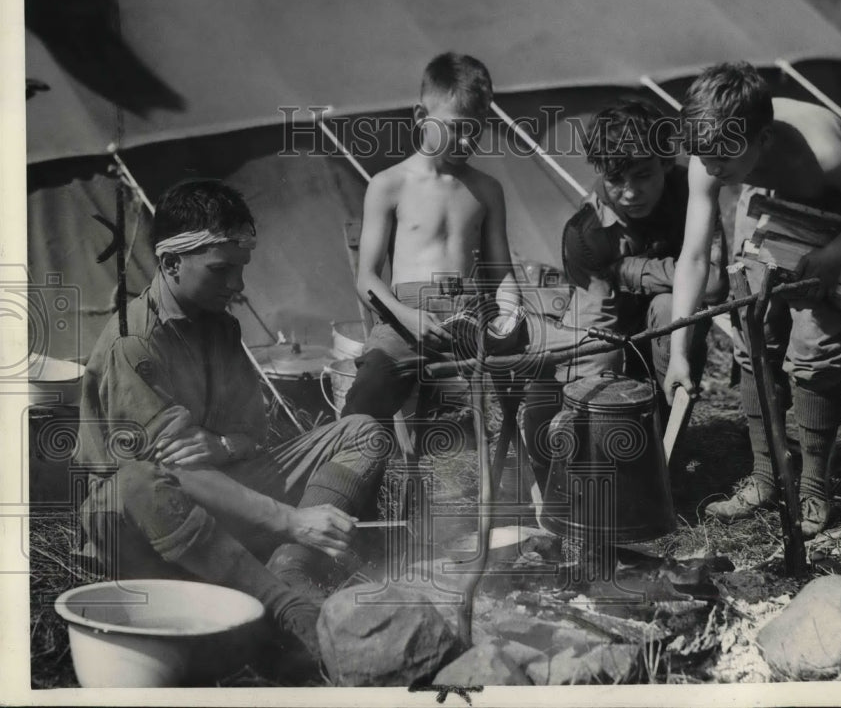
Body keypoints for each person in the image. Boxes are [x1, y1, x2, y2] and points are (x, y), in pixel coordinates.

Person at [75, 179, 387, 667]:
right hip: (153, 527)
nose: (238, 287)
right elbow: (174, 471)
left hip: (225, 494)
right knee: (136, 481)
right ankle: (287, 606)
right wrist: (293, 518)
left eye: (240, 269)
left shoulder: (219, 324)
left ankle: (290, 568)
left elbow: (253, 432)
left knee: (362, 429)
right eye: (222, 270)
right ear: (171, 263)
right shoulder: (132, 343)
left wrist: (222, 445)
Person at [665, 62, 841, 537]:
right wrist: (679, 354)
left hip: (837, 207)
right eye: (703, 158)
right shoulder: (713, 155)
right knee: (753, 337)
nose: (711, 170)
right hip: (768, 198)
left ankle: (813, 488)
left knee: (812, 355)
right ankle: (767, 476)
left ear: (761, 140)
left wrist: (832, 256)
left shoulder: (825, 153)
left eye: (722, 159)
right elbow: (693, 257)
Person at [338, 52, 522, 512]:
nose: (466, 138)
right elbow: (367, 279)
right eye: (456, 125)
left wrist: (510, 313)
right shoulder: (390, 184)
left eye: (476, 127)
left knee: (523, 395)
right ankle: (341, 513)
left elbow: (501, 274)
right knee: (362, 406)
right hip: (404, 320)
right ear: (421, 116)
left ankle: (528, 516)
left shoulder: (486, 189)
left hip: (468, 319)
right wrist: (406, 317)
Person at [520, 100, 728, 490]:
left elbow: (714, 283)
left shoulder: (691, 193)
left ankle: (664, 456)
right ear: (600, 171)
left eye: (643, 175)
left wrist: (630, 270)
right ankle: (595, 465)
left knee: (673, 309)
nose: (631, 193)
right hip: (612, 330)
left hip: (665, 336)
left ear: (666, 161)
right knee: (587, 367)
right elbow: (598, 337)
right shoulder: (586, 232)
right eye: (617, 180)